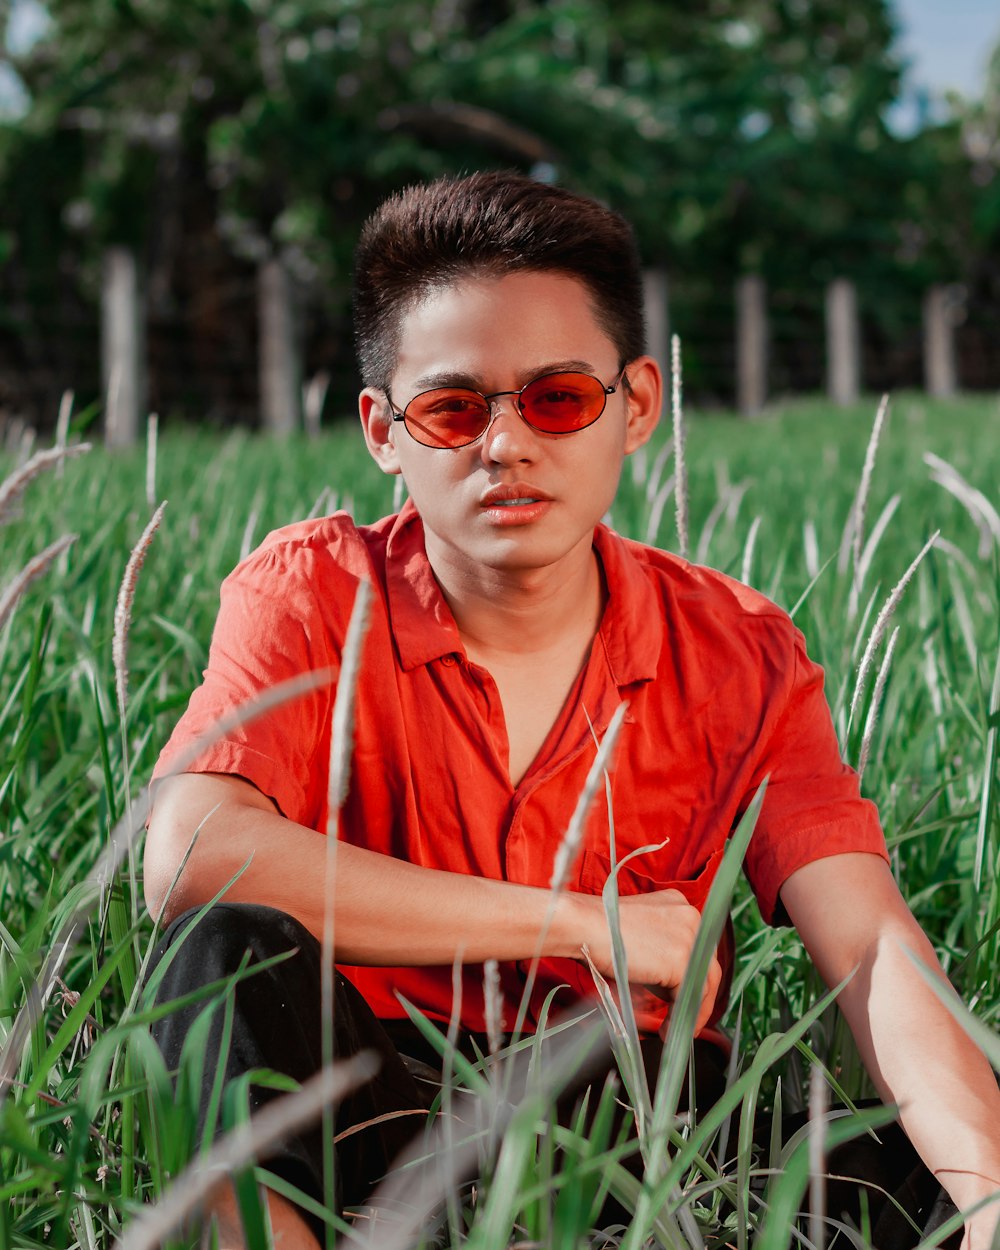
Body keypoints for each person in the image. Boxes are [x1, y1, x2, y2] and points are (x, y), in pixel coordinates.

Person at [143, 171, 1000, 1249]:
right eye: (454, 408)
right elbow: (185, 856)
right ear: (382, 430)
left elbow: (870, 945)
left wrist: (984, 1184)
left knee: (898, 1176)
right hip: (376, 1089)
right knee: (214, 960)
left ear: (634, 404)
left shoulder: (737, 651)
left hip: (629, 1104)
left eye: (557, 397)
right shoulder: (312, 592)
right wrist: (582, 923)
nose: (505, 444)